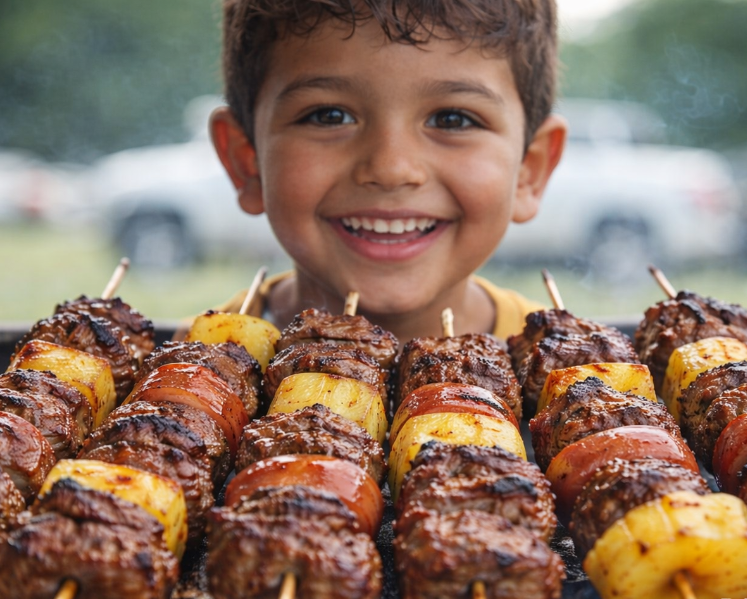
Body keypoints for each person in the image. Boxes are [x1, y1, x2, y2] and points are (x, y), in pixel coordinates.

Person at [208, 0, 567, 345]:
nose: (391, 169)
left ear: (528, 171)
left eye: (452, 119)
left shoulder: (578, 372)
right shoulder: (180, 367)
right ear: (247, 161)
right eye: (329, 116)